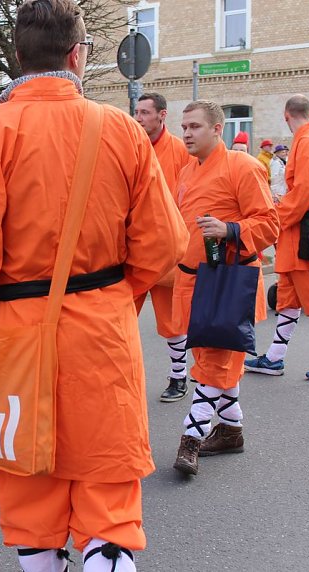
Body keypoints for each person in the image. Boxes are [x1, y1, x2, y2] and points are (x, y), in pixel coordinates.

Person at [0, 1, 188, 570]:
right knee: (108, 505)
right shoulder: (121, 128)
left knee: (30, 496)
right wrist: (115, 295)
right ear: (78, 55)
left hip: (15, 336)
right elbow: (165, 245)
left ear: (18, 55)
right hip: (103, 334)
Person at [171, 101, 279, 476]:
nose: (186, 133)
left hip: (228, 281)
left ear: (218, 129)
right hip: (192, 279)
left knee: (214, 363)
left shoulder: (244, 166)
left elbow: (269, 224)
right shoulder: (187, 170)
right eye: (184, 126)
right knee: (209, 359)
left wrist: (230, 229)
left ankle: (192, 437)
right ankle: (231, 430)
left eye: (195, 126)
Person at [245, 95, 309, 382]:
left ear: (286, 116)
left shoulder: (308, 142)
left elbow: (305, 192)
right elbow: (306, 191)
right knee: (288, 295)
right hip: (302, 225)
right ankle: (274, 358)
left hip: (304, 228)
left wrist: (277, 215)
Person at [134, 92, 194, 402]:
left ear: (162, 115)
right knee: (120, 319)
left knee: (172, 323)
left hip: (167, 248)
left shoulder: (180, 151)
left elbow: (189, 196)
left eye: (145, 112)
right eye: (137, 111)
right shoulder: (131, 145)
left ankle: (178, 376)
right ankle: (122, 379)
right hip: (132, 248)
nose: (139, 117)